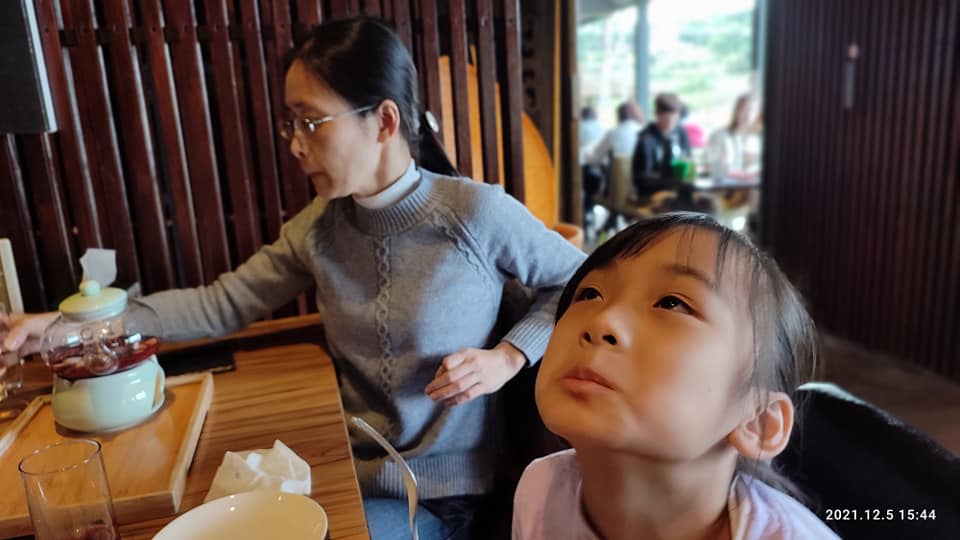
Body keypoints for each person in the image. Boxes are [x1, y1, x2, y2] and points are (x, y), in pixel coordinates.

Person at [3, 17, 586, 540]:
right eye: (291, 124)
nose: (296, 146)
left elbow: (580, 281)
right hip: (342, 470)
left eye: (311, 122)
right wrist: (66, 327)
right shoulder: (321, 228)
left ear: (384, 120)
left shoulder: (473, 213)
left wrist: (508, 357)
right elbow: (221, 303)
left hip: (442, 498)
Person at [512, 213, 841, 540]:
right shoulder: (540, 490)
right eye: (589, 294)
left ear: (758, 422)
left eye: (672, 303)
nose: (602, 321)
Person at [631, 93, 692, 200]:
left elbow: (688, 159)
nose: (670, 119)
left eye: (673, 114)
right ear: (656, 114)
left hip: (677, 190)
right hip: (651, 194)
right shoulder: (646, 139)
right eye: (665, 115)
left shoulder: (681, 133)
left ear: (678, 115)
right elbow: (641, 178)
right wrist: (670, 182)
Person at [707, 94, 762, 181]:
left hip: (753, 182)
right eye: (745, 109)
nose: (749, 114)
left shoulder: (758, 137)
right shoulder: (719, 135)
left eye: (753, 110)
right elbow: (708, 164)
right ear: (736, 111)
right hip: (727, 183)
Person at [585, 102, 645, 167]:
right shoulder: (643, 131)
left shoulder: (612, 133)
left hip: (618, 172)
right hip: (640, 172)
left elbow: (594, 159)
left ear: (618, 115)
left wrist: (587, 151)